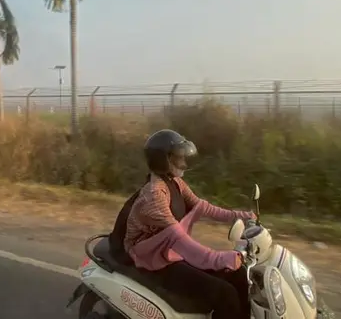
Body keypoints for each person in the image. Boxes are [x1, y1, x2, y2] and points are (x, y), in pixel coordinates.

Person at [108, 129, 255, 319]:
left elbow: (202, 207)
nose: (184, 163)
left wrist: (242, 216)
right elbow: (179, 238)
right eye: (178, 158)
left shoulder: (174, 182)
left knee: (240, 276)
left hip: (168, 251)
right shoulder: (153, 197)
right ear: (163, 160)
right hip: (154, 260)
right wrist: (219, 259)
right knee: (224, 293)